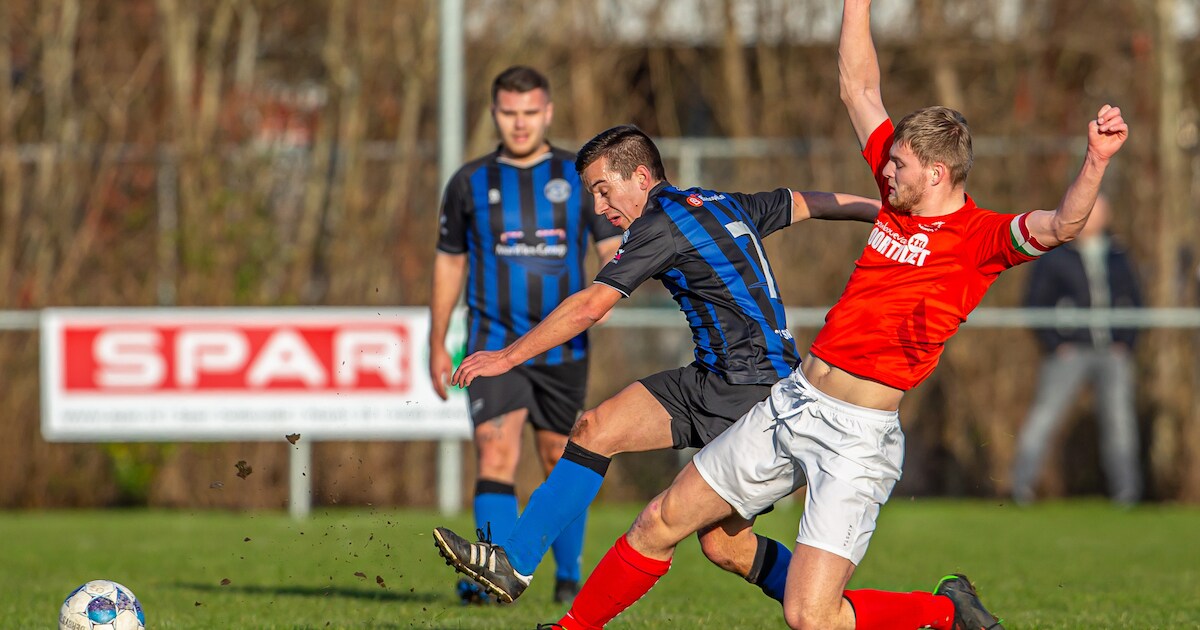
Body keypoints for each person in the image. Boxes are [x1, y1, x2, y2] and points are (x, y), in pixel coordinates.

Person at [541, 1, 1130, 628]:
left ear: (936, 172)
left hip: (856, 439)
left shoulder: (980, 238)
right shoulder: (899, 197)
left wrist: (1094, 160)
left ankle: (943, 614)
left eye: (898, 165)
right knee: (662, 521)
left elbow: (1062, 224)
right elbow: (857, 84)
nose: (885, 171)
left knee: (811, 618)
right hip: (789, 403)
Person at [432, 124, 882, 607]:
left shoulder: (657, 224)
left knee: (724, 544)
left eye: (604, 192)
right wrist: (887, 217)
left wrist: (506, 356)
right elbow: (807, 201)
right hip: (715, 378)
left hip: (751, 394)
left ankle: (856, 613)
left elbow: (590, 306)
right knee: (596, 430)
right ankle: (513, 563)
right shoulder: (718, 202)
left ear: (641, 177)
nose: (601, 209)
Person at [428, 65, 624, 604]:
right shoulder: (469, 182)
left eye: (530, 113)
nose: (520, 123)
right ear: (495, 114)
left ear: (548, 113)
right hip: (492, 346)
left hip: (563, 345)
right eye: (509, 113)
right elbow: (449, 264)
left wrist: (610, 289)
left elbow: (612, 252)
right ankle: (481, 579)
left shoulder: (580, 178)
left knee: (559, 455)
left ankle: (567, 576)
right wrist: (437, 338)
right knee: (494, 454)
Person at [1011, 194, 1144, 506]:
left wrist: (1126, 341)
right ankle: (1019, 488)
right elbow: (1035, 302)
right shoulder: (1056, 256)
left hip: (1112, 352)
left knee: (1120, 423)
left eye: (1100, 211)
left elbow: (1136, 302)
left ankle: (1127, 495)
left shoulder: (1118, 255)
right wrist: (1057, 344)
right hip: (1068, 355)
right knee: (1044, 418)